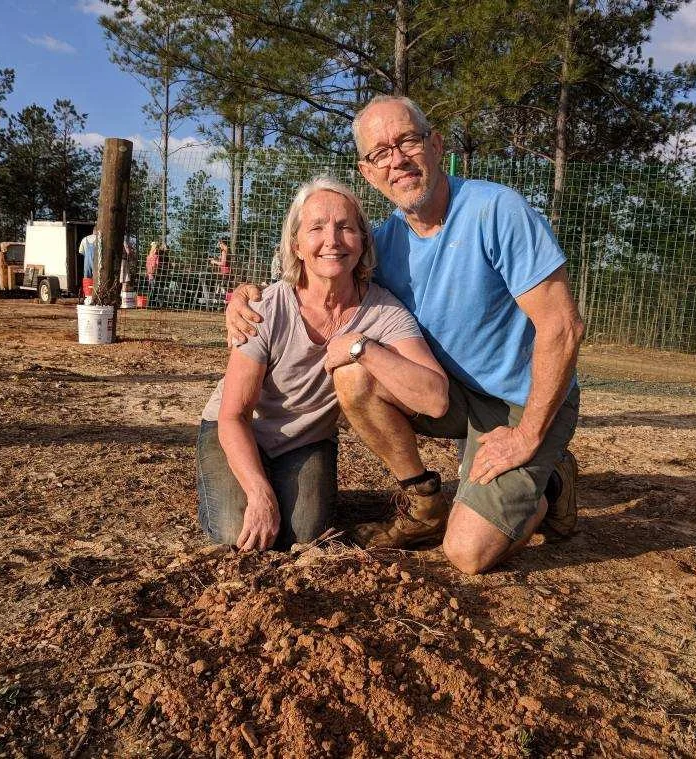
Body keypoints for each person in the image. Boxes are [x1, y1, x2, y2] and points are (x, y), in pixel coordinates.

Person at [226, 96, 584, 574]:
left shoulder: (496, 210)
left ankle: (550, 484)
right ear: (368, 171)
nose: (397, 159)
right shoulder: (384, 242)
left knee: (467, 554)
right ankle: (422, 503)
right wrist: (243, 295)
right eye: (379, 153)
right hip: (451, 394)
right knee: (355, 375)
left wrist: (527, 435)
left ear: (435, 145)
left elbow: (563, 326)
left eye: (408, 141)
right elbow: (319, 273)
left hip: (525, 399)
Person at [198, 176, 448, 551]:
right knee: (238, 535)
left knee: (305, 538)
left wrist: (363, 348)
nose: (332, 240)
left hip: (308, 440)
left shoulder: (383, 310)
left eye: (346, 227)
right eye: (317, 228)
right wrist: (260, 494)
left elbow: (436, 399)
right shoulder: (264, 309)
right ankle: (248, 481)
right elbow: (234, 415)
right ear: (296, 245)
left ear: (363, 243)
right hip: (240, 430)